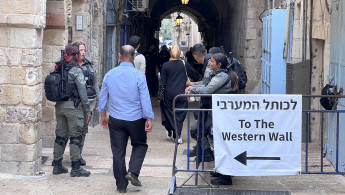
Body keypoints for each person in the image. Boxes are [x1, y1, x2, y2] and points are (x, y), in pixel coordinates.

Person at [98, 45, 154, 194]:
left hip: (116, 119)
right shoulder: (138, 75)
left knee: (118, 151)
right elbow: (145, 99)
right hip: (135, 119)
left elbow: (103, 97)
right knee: (140, 144)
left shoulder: (109, 75)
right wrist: (149, 117)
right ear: (134, 57)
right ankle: (133, 172)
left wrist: (103, 116)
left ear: (119, 55)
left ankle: (121, 186)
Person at [52, 45, 92, 177]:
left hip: (59, 106)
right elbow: (83, 93)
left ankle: (57, 165)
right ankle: (76, 168)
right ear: (74, 56)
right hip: (73, 108)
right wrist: (88, 110)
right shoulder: (76, 70)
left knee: (61, 136)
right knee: (76, 136)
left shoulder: (58, 68)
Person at [72, 41, 100, 166]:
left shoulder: (89, 67)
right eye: (80, 50)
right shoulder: (70, 66)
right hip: (72, 104)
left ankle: (78, 155)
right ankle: (71, 155)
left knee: (83, 130)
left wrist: (98, 102)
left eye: (84, 50)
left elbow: (95, 85)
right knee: (71, 131)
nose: (83, 52)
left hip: (87, 103)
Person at [159, 46, 188, 144]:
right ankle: (178, 134)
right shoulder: (184, 64)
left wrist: (160, 96)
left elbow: (163, 83)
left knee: (168, 112)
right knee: (180, 114)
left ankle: (170, 130)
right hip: (181, 93)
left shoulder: (165, 65)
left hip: (169, 93)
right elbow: (193, 74)